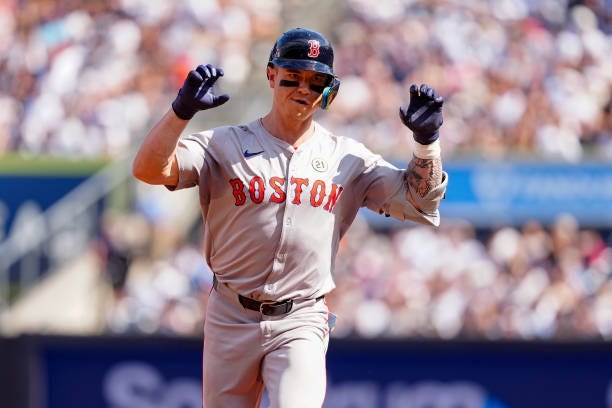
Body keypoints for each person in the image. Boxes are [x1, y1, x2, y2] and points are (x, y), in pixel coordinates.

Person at [132, 27, 448, 408]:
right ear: (270, 75)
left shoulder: (347, 157)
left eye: (317, 82)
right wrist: (180, 112)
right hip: (231, 314)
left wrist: (426, 144)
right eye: (292, 77)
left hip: (301, 316)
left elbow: (418, 202)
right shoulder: (224, 143)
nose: (304, 89)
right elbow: (149, 169)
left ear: (330, 89)